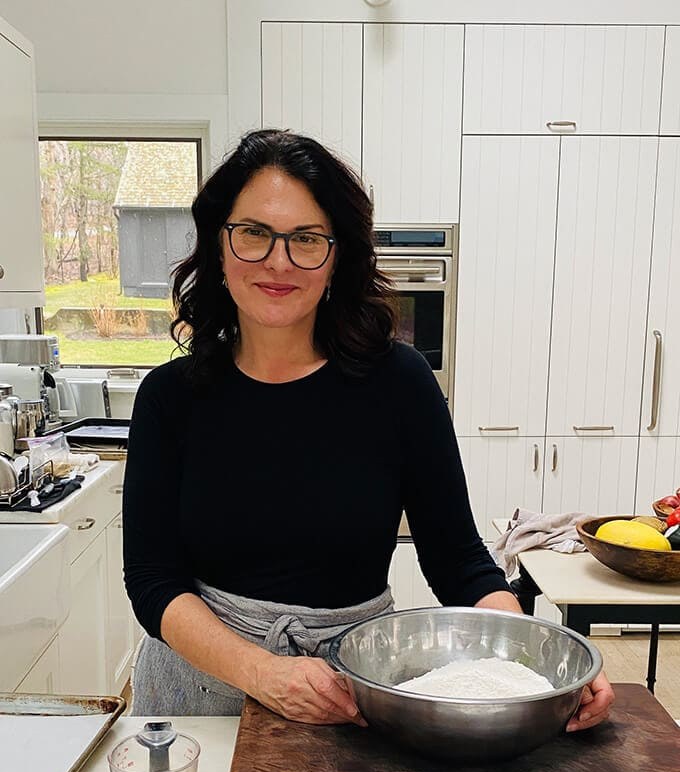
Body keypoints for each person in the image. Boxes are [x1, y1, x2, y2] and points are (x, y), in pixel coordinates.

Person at [123, 128, 614, 730]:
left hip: (348, 690)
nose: (279, 260)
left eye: (306, 239)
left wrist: (538, 665)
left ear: (337, 258)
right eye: (253, 233)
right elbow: (153, 581)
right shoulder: (169, 399)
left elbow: (458, 558)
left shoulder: (398, 384)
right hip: (199, 696)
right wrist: (261, 672)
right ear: (218, 247)